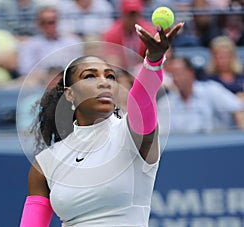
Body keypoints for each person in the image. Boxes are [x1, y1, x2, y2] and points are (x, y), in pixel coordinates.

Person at [19, 18, 184, 226]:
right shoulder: (45, 163)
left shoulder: (131, 134)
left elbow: (141, 99)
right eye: (90, 76)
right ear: (70, 95)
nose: (103, 82)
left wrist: (153, 61)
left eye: (110, 77)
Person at [157, 56, 244, 134]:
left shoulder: (211, 90)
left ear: (191, 72)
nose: (176, 78)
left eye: (179, 73)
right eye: (173, 75)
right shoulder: (165, 103)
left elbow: (239, 109)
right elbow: (161, 134)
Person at [17, 4, 82, 85]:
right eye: (45, 22)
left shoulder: (72, 41)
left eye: (52, 22)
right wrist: (47, 76)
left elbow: (78, 65)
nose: (49, 25)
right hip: (41, 81)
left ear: (57, 21)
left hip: (67, 79)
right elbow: (25, 69)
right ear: (39, 24)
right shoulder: (30, 44)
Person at [102, 0, 155, 69]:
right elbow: (112, 58)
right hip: (121, 70)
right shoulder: (112, 33)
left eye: (134, 14)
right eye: (129, 15)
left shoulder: (149, 31)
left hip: (143, 69)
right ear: (122, 15)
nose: (132, 18)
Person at [204, 35, 244, 101]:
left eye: (225, 56)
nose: (222, 60)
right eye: (219, 56)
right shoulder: (208, 78)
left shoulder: (241, 75)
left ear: (232, 56)